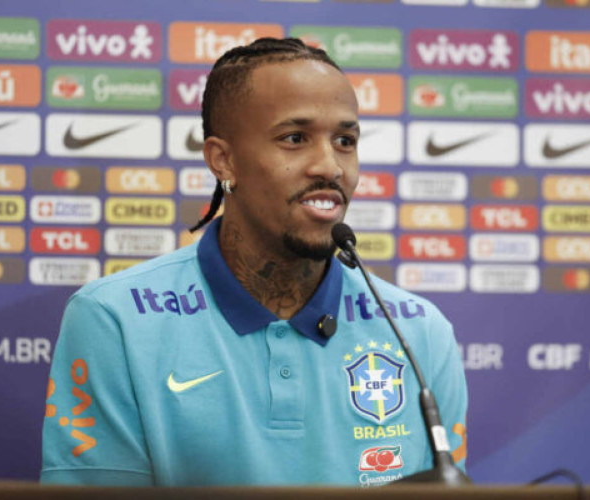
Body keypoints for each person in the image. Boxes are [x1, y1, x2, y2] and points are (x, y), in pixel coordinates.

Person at [41, 37, 468, 487]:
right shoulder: (115, 320)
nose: (330, 167)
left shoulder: (420, 333)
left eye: (345, 141)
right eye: (294, 138)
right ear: (223, 161)